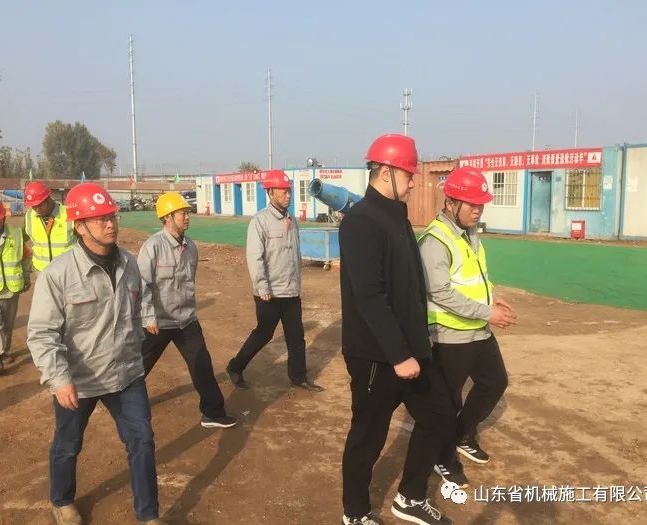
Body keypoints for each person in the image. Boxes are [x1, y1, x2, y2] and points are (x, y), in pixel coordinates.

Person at [27, 182, 166, 525]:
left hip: (126, 374)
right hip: (80, 380)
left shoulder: (129, 263)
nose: (110, 224)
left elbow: (138, 306)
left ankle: (148, 515)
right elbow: (42, 333)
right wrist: (59, 378)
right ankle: (62, 500)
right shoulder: (58, 275)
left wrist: (138, 342)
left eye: (112, 216)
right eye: (100, 218)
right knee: (68, 443)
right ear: (79, 226)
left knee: (142, 440)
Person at [339, 134, 454, 525]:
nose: (414, 181)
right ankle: (355, 512)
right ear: (385, 172)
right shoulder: (361, 221)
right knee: (368, 437)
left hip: (411, 348)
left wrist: (419, 344)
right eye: (408, 174)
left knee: (439, 415)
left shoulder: (396, 217)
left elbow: (409, 287)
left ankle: (410, 497)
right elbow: (369, 296)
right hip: (377, 354)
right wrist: (399, 354)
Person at [418, 166, 515, 488]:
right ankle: (442, 458)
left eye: (481, 204)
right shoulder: (435, 240)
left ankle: (462, 434)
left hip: (478, 329)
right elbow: (440, 292)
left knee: (495, 381)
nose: (477, 210)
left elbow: (473, 277)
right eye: (471, 204)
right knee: (448, 402)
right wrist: (487, 312)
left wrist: (492, 297)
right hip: (450, 335)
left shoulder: (470, 233)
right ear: (450, 202)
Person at [138, 191, 237, 429]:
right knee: (137, 367)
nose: (187, 217)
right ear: (167, 217)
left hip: (185, 320)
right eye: (182, 213)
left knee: (202, 365)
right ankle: (123, 401)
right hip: (158, 322)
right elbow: (141, 285)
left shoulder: (191, 247)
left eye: (187, 213)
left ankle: (213, 413)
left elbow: (188, 281)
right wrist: (148, 316)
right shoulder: (153, 247)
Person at [226, 169, 323, 392]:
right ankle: (235, 366)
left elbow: (294, 255)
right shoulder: (260, 221)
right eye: (283, 192)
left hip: (291, 291)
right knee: (263, 334)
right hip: (269, 293)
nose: (288, 196)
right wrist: (262, 286)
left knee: (296, 337)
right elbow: (255, 257)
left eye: (289, 191)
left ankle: (299, 377)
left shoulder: (292, 220)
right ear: (270, 193)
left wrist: (297, 284)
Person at [0, 197, 31, 374]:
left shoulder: (16, 234)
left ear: (4, 217)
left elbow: (26, 257)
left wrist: (26, 276)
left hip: (11, 288)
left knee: (8, 324)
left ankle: (5, 351)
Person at [23, 181, 76, 271]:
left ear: (48, 198)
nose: (37, 209)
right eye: (33, 206)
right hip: (41, 271)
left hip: (66, 270)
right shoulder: (29, 216)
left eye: (40, 205)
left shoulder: (69, 214)